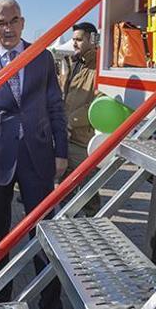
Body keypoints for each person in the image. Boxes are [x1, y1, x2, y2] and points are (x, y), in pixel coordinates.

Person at [0, 0, 67, 309]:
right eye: (1, 23)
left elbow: (55, 106)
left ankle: (50, 299)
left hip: (38, 156)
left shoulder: (42, 57)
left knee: (43, 231)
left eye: (13, 21)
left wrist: (60, 150)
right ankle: (0, 297)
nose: (7, 28)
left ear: (22, 22)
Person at [59, 22, 102, 216]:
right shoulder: (75, 63)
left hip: (83, 140)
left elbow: (97, 103)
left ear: (92, 39)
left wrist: (70, 121)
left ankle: (94, 229)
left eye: (78, 39)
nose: (74, 43)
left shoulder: (99, 66)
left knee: (88, 192)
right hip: (68, 136)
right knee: (65, 191)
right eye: (73, 39)